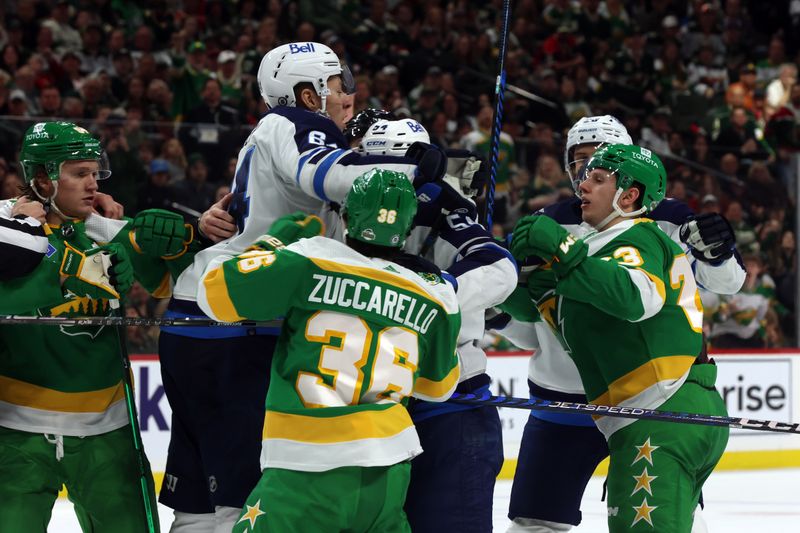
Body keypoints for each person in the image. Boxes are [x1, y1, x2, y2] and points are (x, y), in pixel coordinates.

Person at [160, 41, 447, 533]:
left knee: (200, 508)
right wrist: (415, 165)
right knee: (239, 502)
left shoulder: (276, 132)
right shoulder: (295, 124)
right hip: (238, 321)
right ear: (309, 95)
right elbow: (338, 179)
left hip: (200, 318)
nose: (349, 96)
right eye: (339, 85)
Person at [497, 115, 744, 533]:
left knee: (674, 515)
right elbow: (540, 322)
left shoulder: (659, 220)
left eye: (602, 164)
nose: (588, 174)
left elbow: (720, 284)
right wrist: (497, 305)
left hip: (652, 396)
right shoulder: (549, 221)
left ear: (630, 184)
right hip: (566, 401)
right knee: (535, 522)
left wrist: (718, 253)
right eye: (582, 162)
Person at [197, 169, 461, 533]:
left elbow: (214, 293)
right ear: (407, 227)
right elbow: (439, 386)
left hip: (307, 468)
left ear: (346, 216)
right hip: (389, 474)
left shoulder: (311, 257)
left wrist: (275, 241)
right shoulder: (436, 294)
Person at [0, 121, 198, 532]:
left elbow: (184, 285)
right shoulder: (7, 223)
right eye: (79, 174)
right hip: (15, 434)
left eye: (95, 173)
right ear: (42, 178)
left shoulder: (106, 230)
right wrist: (62, 267)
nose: (93, 185)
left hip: (109, 436)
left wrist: (180, 246)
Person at [360, 118, 517, 532]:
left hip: (450, 401)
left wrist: (426, 289)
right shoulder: (343, 204)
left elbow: (499, 268)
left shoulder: (444, 206)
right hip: (369, 400)